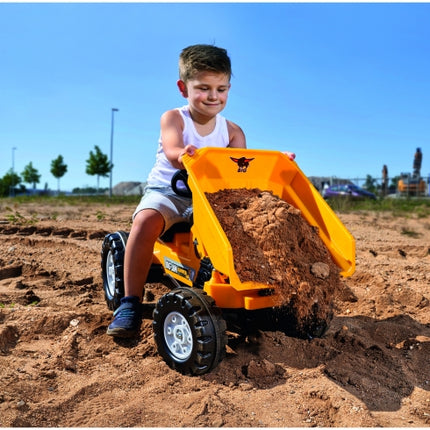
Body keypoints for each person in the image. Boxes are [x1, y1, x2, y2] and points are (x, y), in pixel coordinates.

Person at [107, 44, 295, 338]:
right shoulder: (174, 118)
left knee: (244, 224)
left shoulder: (233, 131)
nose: (213, 96)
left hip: (209, 197)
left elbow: (238, 169)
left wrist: (276, 161)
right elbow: (171, 149)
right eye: (203, 88)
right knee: (145, 223)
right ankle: (129, 302)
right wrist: (183, 153)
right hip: (169, 193)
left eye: (221, 89)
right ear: (184, 88)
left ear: (229, 89)